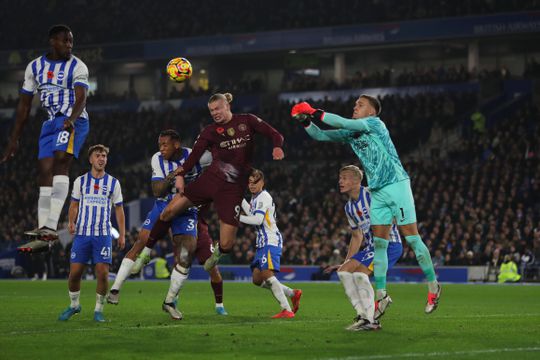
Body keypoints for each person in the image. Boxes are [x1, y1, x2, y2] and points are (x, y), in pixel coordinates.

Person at [291, 95, 441, 314]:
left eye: (360, 105)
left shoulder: (374, 124)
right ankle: (381, 295)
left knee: (412, 238)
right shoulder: (352, 134)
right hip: (378, 190)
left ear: (371, 112)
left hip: (397, 184)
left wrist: (314, 111)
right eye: (354, 105)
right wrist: (305, 120)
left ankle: (434, 286)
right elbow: (320, 135)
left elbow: (342, 122)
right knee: (380, 244)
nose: (355, 107)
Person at [146, 92, 284, 277]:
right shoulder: (210, 131)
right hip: (210, 180)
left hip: (232, 188)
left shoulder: (247, 120)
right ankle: (146, 251)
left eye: (218, 108)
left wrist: (277, 146)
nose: (215, 113)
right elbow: (194, 156)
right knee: (169, 211)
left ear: (227, 105)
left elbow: (275, 134)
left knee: (227, 244)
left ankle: (218, 252)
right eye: (211, 111)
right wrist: (181, 174)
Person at [106, 130, 228, 316]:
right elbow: (157, 191)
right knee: (142, 240)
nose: (161, 149)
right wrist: (174, 174)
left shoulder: (195, 156)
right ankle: (115, 289)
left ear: (176, 145)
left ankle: (170, 301)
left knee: (187, 254)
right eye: (159, 145)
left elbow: (220, 157)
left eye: (165, 145)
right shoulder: (157, 159)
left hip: (187, 209)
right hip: (163, 205)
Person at [1, 24, 90, 247]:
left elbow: (81, 99)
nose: (69, 45)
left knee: (61, 162)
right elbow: (23, 107)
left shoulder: (78, 66)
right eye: (65, 41)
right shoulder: (34, 68)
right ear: (53, 41)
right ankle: (43, 235)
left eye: (71, 41)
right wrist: (14, 139)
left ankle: (51, 225)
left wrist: (70, 120)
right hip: (50, 122)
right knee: (44, 172)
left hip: (74, 120)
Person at [324, 166, 402, 331]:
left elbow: (394, 206)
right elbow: (356, 236)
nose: (340, 181)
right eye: (340, 178)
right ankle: (363, 316)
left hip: (389, 244)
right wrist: (347, 261)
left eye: (344, 178)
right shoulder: (349, 208)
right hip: (371, 247)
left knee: (359, 274)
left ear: (356, 181)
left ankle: (371, 319)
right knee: (343, 271)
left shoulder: (372, 194)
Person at [58, 144, 125, 322]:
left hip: (103, 235)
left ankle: (98, 310)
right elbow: (74, 205)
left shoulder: (113, 183)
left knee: (102, 273)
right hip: (82, 234)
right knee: (74, 273)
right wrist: (71, 222)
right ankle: (74, 305)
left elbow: (119, 210)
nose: (102, 158)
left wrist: (123, 234)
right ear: (91, 159)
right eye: (98, 155)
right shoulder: (80, 181)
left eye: (104, 156)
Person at [240, 169, 302, 319]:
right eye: (250, 182)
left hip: (270, 239)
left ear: (262, 182)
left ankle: (286, 309)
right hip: (261, 241)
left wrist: (236, 218)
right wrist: (239, 199)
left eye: (256, 182)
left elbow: (257, 220)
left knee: (267, 274)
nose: (252, 185)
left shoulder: (264, 196)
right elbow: (251, 213)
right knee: (257, 279)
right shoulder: (255, 198)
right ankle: (292, 293)